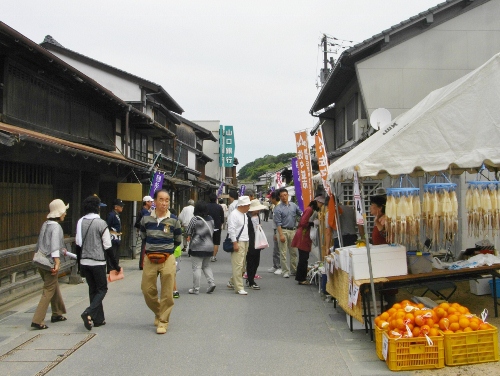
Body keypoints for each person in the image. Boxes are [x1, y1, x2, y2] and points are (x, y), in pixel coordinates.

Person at [140, 189, 182, 334]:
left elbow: (178, 240)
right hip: (150, 258)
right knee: (146, 289)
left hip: (168, 258)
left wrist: (167, 250)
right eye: (161, 200)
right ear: (155, 201)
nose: (164, 203)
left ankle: (163, 321)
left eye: (167, 200)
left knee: (167, 292)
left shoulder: (174, 220)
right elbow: (143, 236)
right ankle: (159, 311)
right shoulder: (146, 219)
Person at [77, 195, 120, 331]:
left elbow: (78, 244)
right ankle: (88, 312)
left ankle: (98, 319)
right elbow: (108, 246)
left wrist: (79, 265)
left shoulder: (80, 221)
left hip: (84, 260)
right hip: (98, 262)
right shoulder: (101, 224)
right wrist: (115, 265)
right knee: (102, 289)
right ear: (97, 208)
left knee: (93, 289)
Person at [31, 199, 69, 330]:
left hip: (40, 260)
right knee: (48, 290)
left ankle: (57, 313)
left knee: (53, 285)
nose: (65, 214)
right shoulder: (56, 227)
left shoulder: (45, 224)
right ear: (59, 213)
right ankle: (37, 319)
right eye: (64, 211)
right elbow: (54, 246)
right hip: (50, 262)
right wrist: (57, 262)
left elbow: (40, 243)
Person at [292, 196, 325, 285]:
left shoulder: (311, 210)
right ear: (317, 202)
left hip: (305, 234)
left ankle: (301, 277)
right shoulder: (309, 210)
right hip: (303, 235)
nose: (321, 206)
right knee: (303, 257)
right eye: (321, 204)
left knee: (304, 257)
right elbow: (302, 223)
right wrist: (313, 223)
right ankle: (301, 278)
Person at [185, 201, 216, 294]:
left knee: (196, 268)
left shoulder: (195, 219)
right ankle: (211, 283)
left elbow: (188, 231)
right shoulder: (211, 219)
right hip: (210, 246)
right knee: (206, 266)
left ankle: (196, 289)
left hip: (197, 246)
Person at [273, 188, 302, 278]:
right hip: (283, 230)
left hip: (293, 230)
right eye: (281, 196)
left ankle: (293, 270)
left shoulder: (293, 205)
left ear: (288, 195)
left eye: (285, 195)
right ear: (279, 197)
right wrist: (280, 234)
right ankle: (285, 270)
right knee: (283, 252)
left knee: (293, 251)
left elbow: (300, 213)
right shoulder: (278, 209)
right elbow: (278, 223)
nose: (284, 197)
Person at [226, 196, 251, 295]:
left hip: (245, 240)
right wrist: (235, 242)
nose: (249, 207)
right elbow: (231, 229)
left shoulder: (244, 215)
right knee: (238, 265)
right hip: (238, 240)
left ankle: (232, 281)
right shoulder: (234, 214)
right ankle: (239, 287)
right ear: (243, 205)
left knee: (243, 265)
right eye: (248, 205)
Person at [245, 199, 267, 290]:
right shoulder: (246, 217)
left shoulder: (257, 216)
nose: (258, 211)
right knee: (250, 261)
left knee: (256, 261)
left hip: (258, 240)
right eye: (256, 209)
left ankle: (251, 278)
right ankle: (251, 281)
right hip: (249, 241)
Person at [136, 195, 154, 270]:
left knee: (145, 247)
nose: (152, 203)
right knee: (144, 247)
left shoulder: (147, 211)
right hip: (145, 231)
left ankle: (144, 263)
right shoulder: (144, 212)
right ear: (146, 202)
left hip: (146, 231)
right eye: (150, 202)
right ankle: (142, 264)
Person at [106, 199, 124, 274]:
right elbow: (107, 225)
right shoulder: (111, 215)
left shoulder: (116, 215)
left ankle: (115, 266)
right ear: (116, 207)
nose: (122, 207)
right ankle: (110, 268)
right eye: (121, 206)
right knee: (112, 252)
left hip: (117, 236)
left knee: (116, 253)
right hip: (112, 236)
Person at [267, 191, 282, 275]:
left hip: (278, 230)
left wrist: (277, 233)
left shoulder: (279, 207)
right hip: (275, 230)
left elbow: (279, 222)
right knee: (276, 249)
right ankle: (275, 265)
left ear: (274, 198)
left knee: (278, 249)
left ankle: (279, 266)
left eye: (271, 198)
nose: (270, 199)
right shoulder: (275, 206)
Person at [207, 193, 224, 262]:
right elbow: (222, 218)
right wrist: (220, 223)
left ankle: (207, 255)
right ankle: (213, 256)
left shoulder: (206, 206)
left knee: (208, 241)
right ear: (216, 199)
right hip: (217, 226)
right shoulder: (219, 207)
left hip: (207, 226)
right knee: (216, 242)